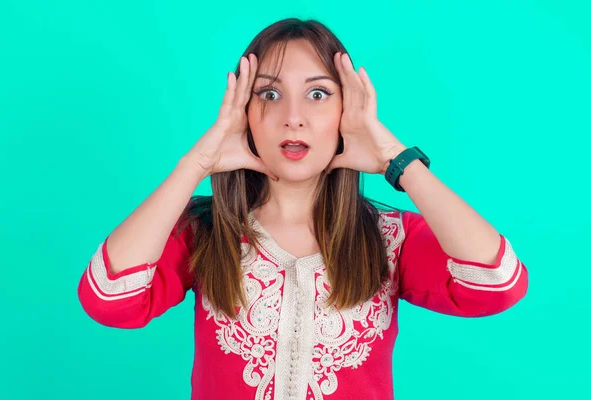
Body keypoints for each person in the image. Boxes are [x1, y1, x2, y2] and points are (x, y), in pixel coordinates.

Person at [77, 18, 528, 400]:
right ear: (244, 115)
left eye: (318, 94)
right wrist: (194, 166)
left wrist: (396, 158)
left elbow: (497, 281)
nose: (293, 116)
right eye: (269, 95)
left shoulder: (392, 239)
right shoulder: (206, 231)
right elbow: (108, 298)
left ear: (346, 110)